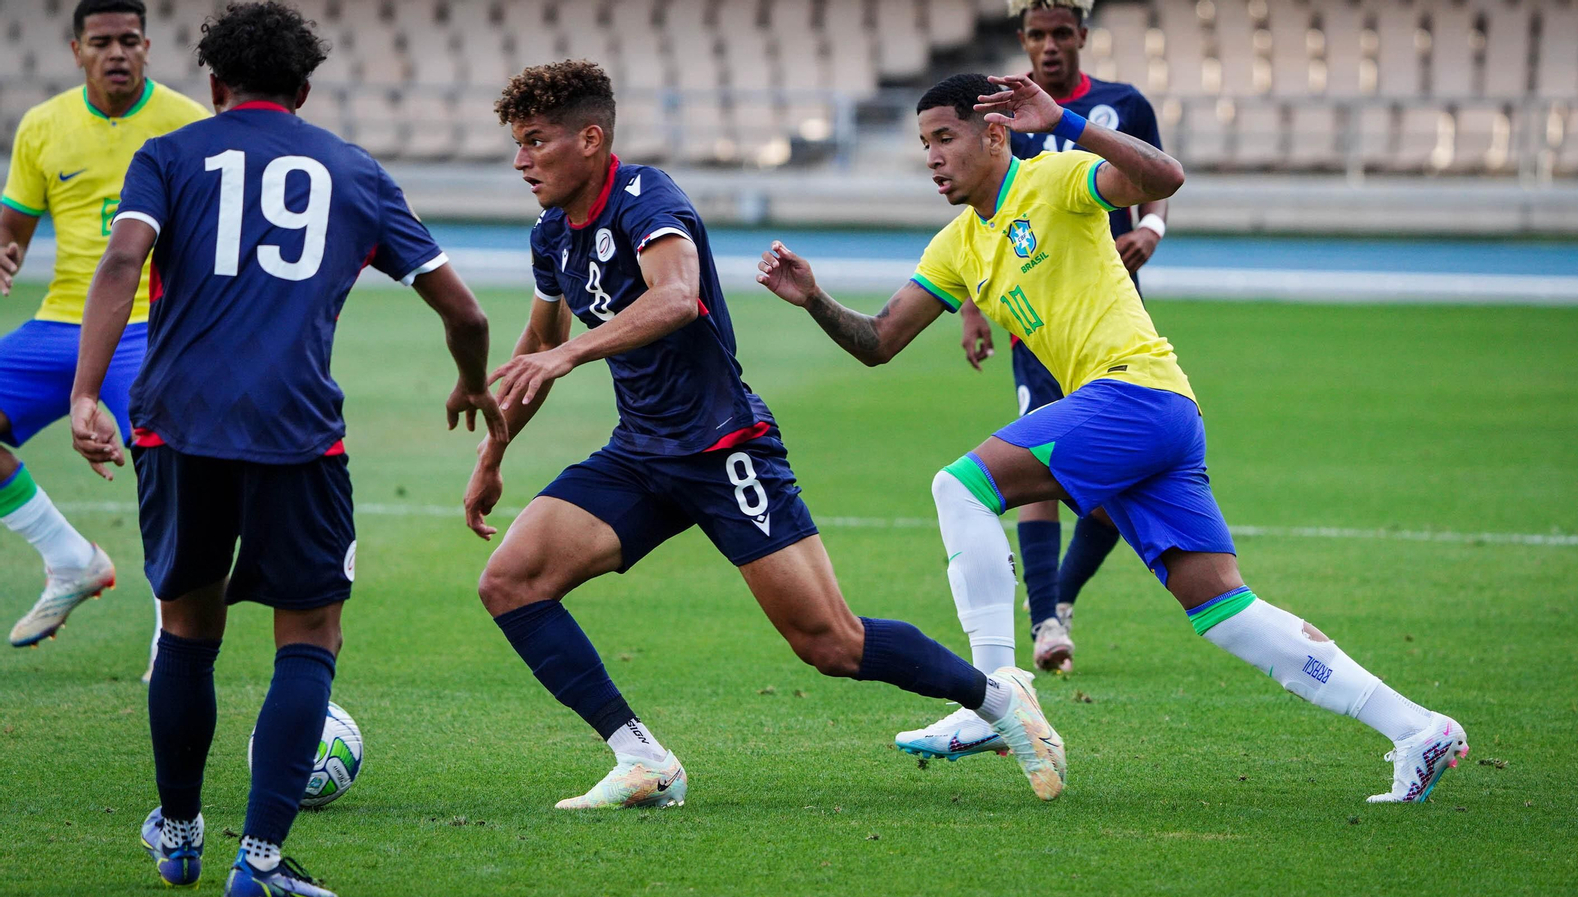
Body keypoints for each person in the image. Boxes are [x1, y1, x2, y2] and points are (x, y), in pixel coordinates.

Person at [756, 72, 1468, 803]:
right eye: (924, 143)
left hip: (1133, 392)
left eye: (945, 138)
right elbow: (879, 341)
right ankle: (1417, 727)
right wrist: (813, 299)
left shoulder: (1056, 176)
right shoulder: (957, 246)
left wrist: (1067, 121)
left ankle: (998, 693)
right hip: (1155, 415)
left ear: (994, 134)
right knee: (1227, 612)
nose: (933, 157)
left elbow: (1165, 176)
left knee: (959, 485)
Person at [464, 59, 1066, 811]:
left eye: (535, 142)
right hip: (643, 452)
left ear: (590, 139)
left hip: (724, 448)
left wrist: (570, 351)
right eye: (517, 145)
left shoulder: (646, 198)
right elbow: (537, 341)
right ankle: (642, 757)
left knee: (831, 643)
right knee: (511, 581)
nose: (521, 161)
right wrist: (493, 454)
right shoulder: (553, 232)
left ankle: (1003, 703)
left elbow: (678, 298)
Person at [69, 3, 503, 893]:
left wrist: (85, 392)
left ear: (215, 86)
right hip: (295, 432)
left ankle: (180, 831)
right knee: (308, 635)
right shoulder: (354, 171)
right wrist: (469, 377)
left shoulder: (168, 154)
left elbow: (120, 264)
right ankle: (259, 860)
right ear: (305, 91)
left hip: (174, 424)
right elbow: (467, 310)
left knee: (187, 631)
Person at [957, 0, 1171, 675]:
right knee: (1037, 457)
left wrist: (1152, 227)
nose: (1049, 46)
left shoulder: (1121, 104)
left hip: (1111, 317)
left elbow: (1154, 173)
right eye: (1036, 35)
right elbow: (979, 203)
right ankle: (1045, 616)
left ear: (1081, 36)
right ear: (1022, 39)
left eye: (1061, 33)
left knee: (1119, 476)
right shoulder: (1004, 113)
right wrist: (967, 303)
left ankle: (1063, 593)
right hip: (1034, 320)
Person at [0, 0, 208, 669]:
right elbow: (13, 232)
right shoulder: (43, 126)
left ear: (147, 46)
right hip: (61, 322)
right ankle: (70, 558)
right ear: (76, 51)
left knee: (168, 469)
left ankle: (167, 633)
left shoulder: (185, 123)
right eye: (101, 42)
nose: (115, 53)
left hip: (152, 327)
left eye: (127, 40)